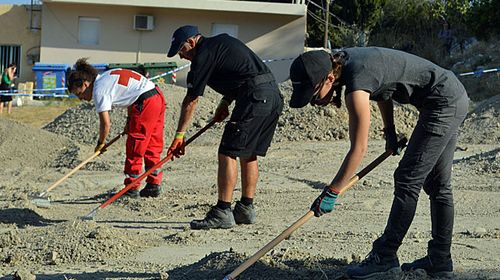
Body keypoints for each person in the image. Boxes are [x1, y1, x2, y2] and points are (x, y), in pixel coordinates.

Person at [289, 47, 468, 279]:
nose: (313, 103)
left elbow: (359, 148)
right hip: (451, 94)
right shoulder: (348, 61)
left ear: (330, 79)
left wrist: (332, 190)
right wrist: (390, 131)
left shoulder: (355, 82)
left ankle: (385, 256)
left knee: (407, 179)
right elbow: (384, 90)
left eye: (312, 96)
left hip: (442, 102)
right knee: (438, 184)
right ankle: (440, 259)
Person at [166, 25, 283, 230]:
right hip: (271, 96)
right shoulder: (221, 43)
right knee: (248, 153)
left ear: (192, 42)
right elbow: (241, 73)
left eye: (182, 50)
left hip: (254, 98)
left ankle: (222, 211)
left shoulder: (202, 55)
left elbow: (191, 100)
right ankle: (246, 209)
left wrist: (179, 135)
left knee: (227, 152)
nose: (182, 57)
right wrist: (224, 103)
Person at [68, 58, 166, 198]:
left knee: (135, 145)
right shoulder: (106, 77)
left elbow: (106, 124)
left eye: (79, 93)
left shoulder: (99, 91)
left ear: (85, 84)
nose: (81, 98)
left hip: (144, 102)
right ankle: (153, 184)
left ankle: (132, 188)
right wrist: (129, 120)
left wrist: (101, 143)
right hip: (156, 96)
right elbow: (131, 95)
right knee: (152, 144)